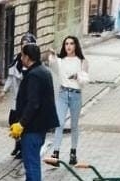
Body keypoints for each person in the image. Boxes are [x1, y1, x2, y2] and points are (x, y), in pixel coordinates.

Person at [12, 43, 59, 181]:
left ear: (27, 57)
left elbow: (33, 103)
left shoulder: (33, 76)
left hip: (33, 127)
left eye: (22, 56)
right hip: (41, 125)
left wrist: (21, 124)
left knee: (31, 162)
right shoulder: (43, 71)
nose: (21, 58)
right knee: (29, 160)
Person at [48, 36, 89, 166]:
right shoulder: (61, 60)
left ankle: (73, 152)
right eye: (66, 44)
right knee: (59, 123)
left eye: (71, 43)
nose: (69, 46)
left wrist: (78, 76)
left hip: (76, 94)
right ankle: (56, 152)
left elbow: (85, 81)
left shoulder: (82, 61)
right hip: (63, 93)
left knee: (74, 125)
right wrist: (53, 56)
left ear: (76, 45)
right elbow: (53, 66)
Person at [1, 33, 36, 160]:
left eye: (27, 44)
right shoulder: (17, 61)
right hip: (15, 98)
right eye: (23, 44)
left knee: (23, 123)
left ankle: (23, 148)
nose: (24, 46)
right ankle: (17, 144)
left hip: (26, 100)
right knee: (12, 121)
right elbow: (11, 77)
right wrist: (4, 90)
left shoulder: (33, 64)